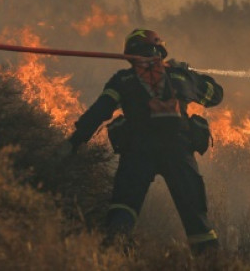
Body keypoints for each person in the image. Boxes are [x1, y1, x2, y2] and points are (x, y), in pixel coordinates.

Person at [57, 28, 224, 255]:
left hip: (138, 150)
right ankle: (212, 262)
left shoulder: (123, 79)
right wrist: (191, 73)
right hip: (178, 150)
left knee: (123, 209)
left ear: (130, 53)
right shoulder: (180, 76)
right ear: (161, 50)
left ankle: (112, 259)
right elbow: (216, 95)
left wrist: (74, 142)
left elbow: (99, 112)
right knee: (195, 216)